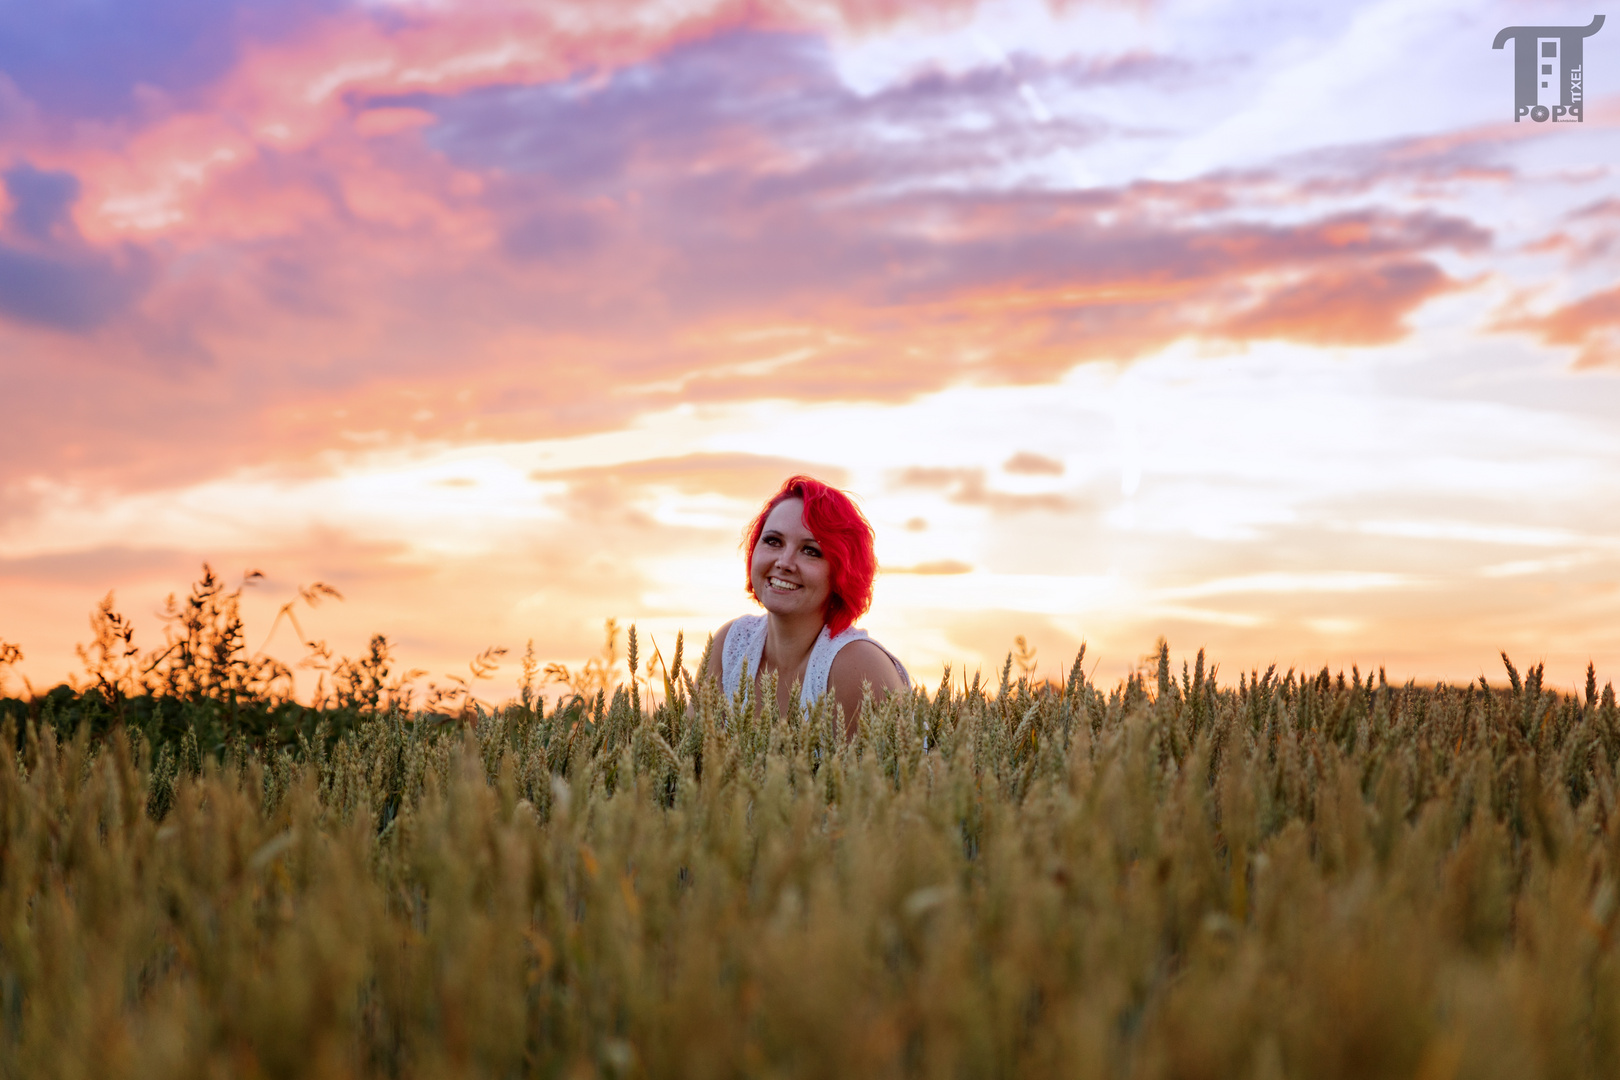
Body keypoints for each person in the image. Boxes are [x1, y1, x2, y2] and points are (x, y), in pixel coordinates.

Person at [704, 475, 910, 734]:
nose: (784, 562)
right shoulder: (732, 644)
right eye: (773, 541)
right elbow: (690, 760)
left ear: (841, 571)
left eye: (810, 550)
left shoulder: (858, 667)